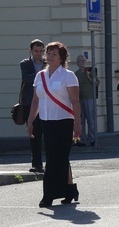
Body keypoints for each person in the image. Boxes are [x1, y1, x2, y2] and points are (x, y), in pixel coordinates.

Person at [26, 41, 81, 207]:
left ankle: (48, 195)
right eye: (48, 53)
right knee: (53, 156)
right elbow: (36, 100)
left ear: (61, 58)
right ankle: (70, 190)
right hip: (46, 121)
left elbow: (75, 102)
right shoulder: (40, 76)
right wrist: (30, 121)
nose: (49, 57)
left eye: (54, 54)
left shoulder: (68, 76)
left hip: (64, 121)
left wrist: (77, 125)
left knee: (59, 158)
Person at [20, 39, 46, 173]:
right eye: (36, 51)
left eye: (41, 51)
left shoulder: (48, 63)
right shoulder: (25, 63)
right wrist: (41, 73)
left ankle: (50, 162)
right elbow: (26, 78)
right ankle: (37, 164)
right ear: (31, 50)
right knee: (34, 134)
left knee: (47, 133)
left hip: (46, 102)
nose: (39, 54)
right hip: (30, 103)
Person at [75, 55, 99, 147]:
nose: (82, 62)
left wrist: (88, 76)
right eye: (80, 60)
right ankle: (82, 139)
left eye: (84, 60)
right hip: (80, 99)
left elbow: (96, 83)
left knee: (90, 119)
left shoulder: (90, 71)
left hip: (89, 98)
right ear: (77, 62)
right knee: (81, 119)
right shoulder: (76, 74)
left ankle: (92, 138)